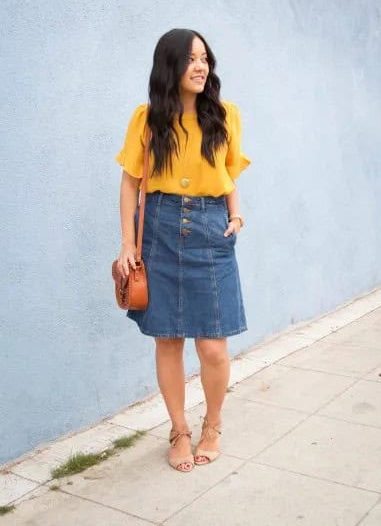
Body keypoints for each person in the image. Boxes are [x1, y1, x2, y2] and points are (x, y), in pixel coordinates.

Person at [115, 28, 251, 472]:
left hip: (213, 228)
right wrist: (128, 244)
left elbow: (229, 172)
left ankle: (212, 425)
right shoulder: (147, 119)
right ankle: (179, 429)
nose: (200, 66)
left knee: (212, 345)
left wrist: (235, 214)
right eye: (191, 58)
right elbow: (131, 183)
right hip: (160, 229)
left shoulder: (225, 116)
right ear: (169, 66)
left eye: (205, 58)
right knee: (169, 340)